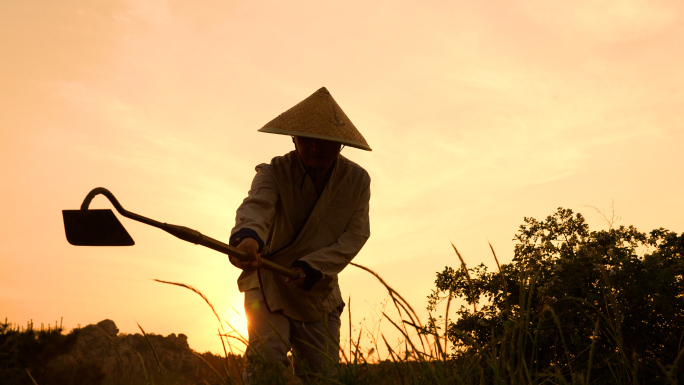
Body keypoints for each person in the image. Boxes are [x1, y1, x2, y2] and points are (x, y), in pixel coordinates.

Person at [228, 87, 372, 383]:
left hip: (318, 288)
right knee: (265, 367)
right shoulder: (273, 172)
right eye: (306, 139)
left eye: (325, 141)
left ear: (341, 143)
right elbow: (258, 205)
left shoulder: (357, 180)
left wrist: (314, 266)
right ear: (293, 139)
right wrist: (248, 238)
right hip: (268, 280)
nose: (315, 148)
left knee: (321, 376)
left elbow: (355, 236)